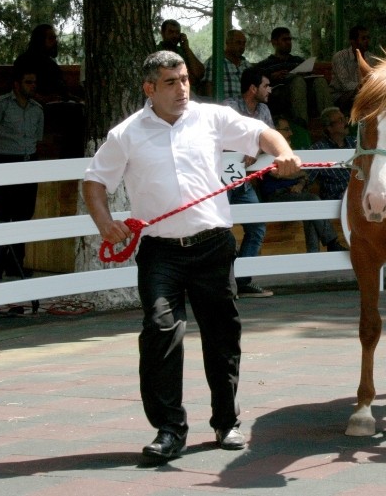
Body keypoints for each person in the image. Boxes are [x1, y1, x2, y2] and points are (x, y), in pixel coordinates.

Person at [82, 50, 302, 462]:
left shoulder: (212, 118)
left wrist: (284, 151)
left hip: (213, 246)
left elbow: (260, 136)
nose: (182, 88)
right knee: (160, 333)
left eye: (184, 79)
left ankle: (226, 422)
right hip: (159, 252)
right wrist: (104, 222)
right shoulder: (125, 134)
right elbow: (95, 182)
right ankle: (169, 430)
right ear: (150, 88)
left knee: (222, 337)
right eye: (171, 82)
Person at [0, 63, 44, 280]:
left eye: (34, 83)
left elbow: (37, 140)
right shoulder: (0, 105)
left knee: (24, 215)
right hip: (6, 161)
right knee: (2, 214)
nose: (32, 86)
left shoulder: (37, 110)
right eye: (28, 82)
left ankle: (16, 265)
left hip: (29, 162)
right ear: (16, 84)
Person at [223, 67, 274, 298]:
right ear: (253, 88)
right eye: (266, 85)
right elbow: (222, 139)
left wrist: (258, 147)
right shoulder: (229, 107)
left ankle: (241, 281)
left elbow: (271, 139)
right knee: (218, 228)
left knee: (257, 224)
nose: (270, 90)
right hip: (217, 180)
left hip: (241, 181)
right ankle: (222, 283)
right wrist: (251, 146)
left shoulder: (263, 110)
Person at [260, 116, 346, 253]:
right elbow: (279, 172)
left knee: (310, 207)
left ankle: (313, 255)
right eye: (287, 129)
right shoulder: (267, 150)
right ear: (275, 131)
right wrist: (300, 174)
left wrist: (300, 181)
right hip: (278, 196)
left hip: (295, 194)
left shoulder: (288, 150)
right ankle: (332, 242)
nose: (291, 133)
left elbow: (304, 175)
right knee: (313, 200)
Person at [253, 27, 330, 122]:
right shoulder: (265, 64)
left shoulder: (298, 61)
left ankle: (331, 121)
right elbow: (258, 85)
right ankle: (302, 125)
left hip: (305, 93)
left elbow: (312, 76)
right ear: (274, 42)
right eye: (284, 40)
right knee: (297, 81)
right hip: (280, 95)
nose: (288, 42)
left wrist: (307, 73)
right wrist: (272, 77)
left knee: (320, 81)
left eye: (290, 39)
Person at [14, 24, 72, 103]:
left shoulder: (51, 64)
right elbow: (21, 89)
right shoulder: (24, 61)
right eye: (51, 38)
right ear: (39, 40)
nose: (55, 42)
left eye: (55, 38)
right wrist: (45, 99)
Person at [308, 107, 355, 202]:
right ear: (329, 128)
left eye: (345, 118)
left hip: (360, 191)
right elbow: (306, 177)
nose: (346, 122)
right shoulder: (319, 149)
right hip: (337, 198)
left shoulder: (355, 142)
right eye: (340, 120)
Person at [329, 25, 369, 116]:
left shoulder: (370, 58)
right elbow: (345, 85)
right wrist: (364, 87)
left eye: (368, 38)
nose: (367, 41)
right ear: (353, 41)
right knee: (359, 94)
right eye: (363, 38)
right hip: (340, 96)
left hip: (363, 93)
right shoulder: (340, 57)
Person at [203, 29, 250, 101]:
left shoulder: (247, 65)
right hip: (224, 107)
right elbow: (208, 88)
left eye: (244, 43)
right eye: (238, 43)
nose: (242, 46)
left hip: (245, 108)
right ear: (228, 42)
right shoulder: (215, 62)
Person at [158, 19, 205, 87]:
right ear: (162, 33)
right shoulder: (156, 51)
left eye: (177, 32)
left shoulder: (183, 52)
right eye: (170, 32)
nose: (174, 35)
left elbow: (200, 73)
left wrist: (187, 49)